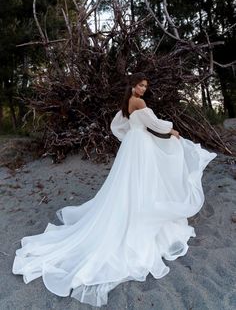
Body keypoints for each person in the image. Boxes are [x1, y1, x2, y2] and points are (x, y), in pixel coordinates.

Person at [12, 73, 217, 307]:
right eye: (140, 85)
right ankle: (139, 215)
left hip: (133, 146)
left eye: (145, 86)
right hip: (140, 147)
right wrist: (171, 132)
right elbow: (156, 125)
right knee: (142, 182)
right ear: (132, 85)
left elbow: (116, 126)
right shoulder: (139, 103)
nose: (143, 89)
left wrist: (132, 136)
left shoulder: (126, 105)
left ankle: (132, 211)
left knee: (129, 184)